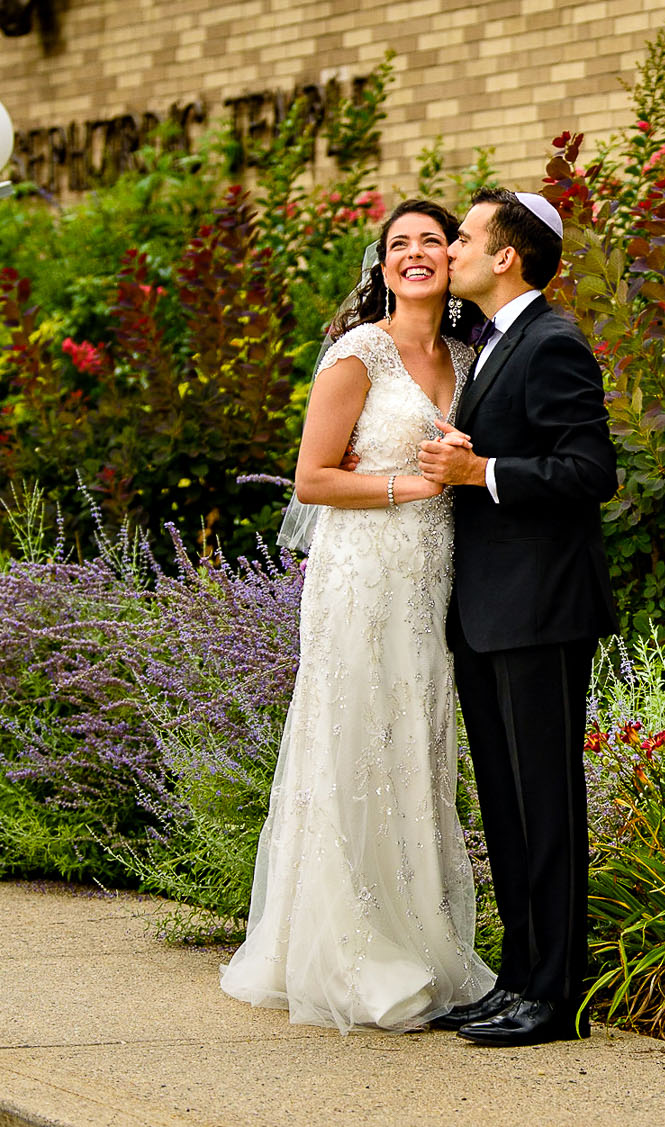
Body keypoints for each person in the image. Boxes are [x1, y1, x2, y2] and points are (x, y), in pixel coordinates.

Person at [220, 198, 495, 1032]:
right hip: (361, 573)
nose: (415, 254)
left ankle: (423, 932)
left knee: (416, 737)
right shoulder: (357, 354)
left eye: (432, 241)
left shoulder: (465, 352)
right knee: (357, 734)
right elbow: (309, 478)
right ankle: (357, 950)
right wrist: (406, 486)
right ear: (382, 267)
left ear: (453, 260)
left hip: (433, 577)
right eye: (398, 245)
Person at [419, 188, 618, 1047]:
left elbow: (590, 471)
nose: (452, 248)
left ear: (508, 256)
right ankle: (518, 978)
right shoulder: (495, 343)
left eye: (464, 237)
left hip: (540, 611)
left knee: (547, 806)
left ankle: (556, 998)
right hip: (489, 613)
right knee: (505, 805)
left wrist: (483, 472)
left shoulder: (553, 342)